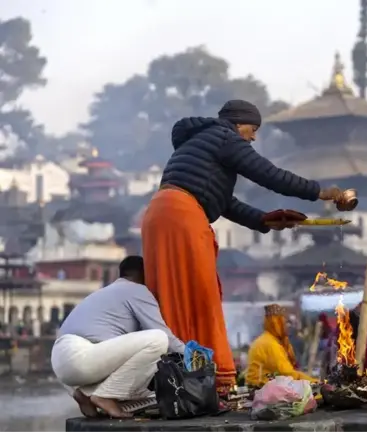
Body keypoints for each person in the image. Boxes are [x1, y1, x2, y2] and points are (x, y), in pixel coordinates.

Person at [141, 101, 344, 392]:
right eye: (253, 129)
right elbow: (269, 174)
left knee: (172, 297)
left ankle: (179, 379)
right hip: (182, 217)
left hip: (158, 215)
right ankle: (214, 380)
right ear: (239, 123)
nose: (253, 137)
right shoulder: (225, 137)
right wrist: (321, 192)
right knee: (201, 295)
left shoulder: (203, 144)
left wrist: (264, 220)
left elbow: (224, 203)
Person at [51, 256, 184, 418]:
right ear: (145, 274)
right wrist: (191, 353)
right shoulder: (137, 290)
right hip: (81, 356)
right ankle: (104, 397)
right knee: (159, 339)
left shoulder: (104, 293)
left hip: (61, 363)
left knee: (149, 394)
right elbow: (166, 337)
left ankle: (85, 395)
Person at [245, 304, 317, 387]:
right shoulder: (270, 344)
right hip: (262, 389)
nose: (286, 327)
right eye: (283, 323)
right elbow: (287, 373)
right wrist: (313, 382)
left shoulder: (266, 340)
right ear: (277, 324)